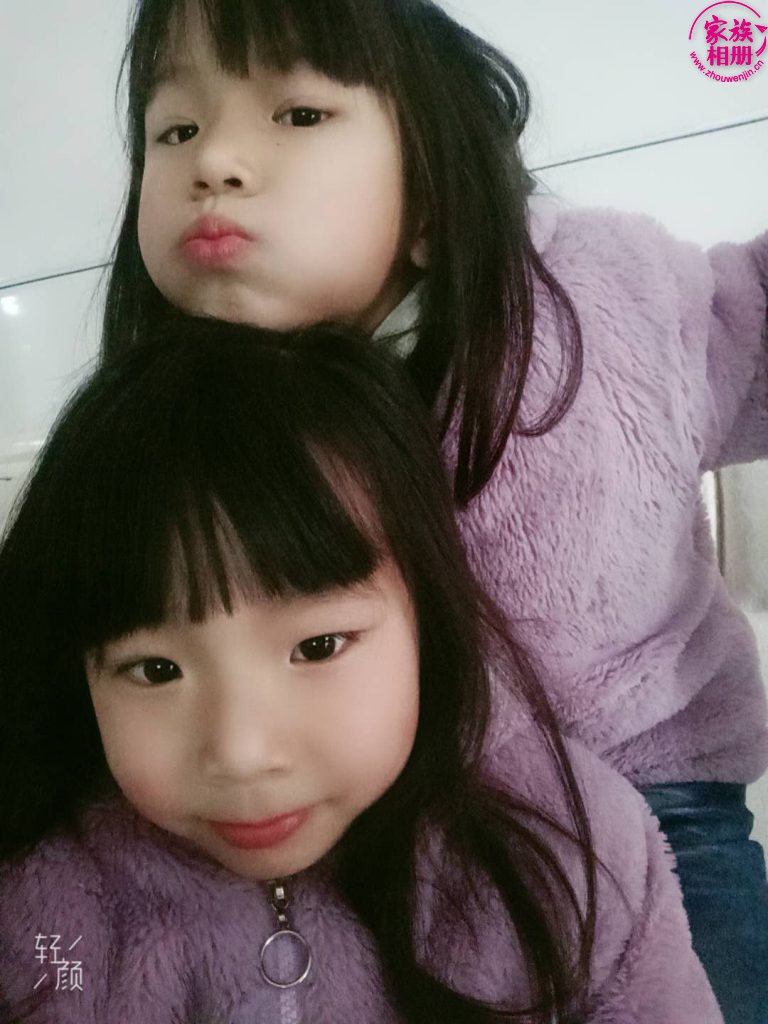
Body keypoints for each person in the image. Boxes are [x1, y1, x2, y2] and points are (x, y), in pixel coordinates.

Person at [100, 1, 768, 1019]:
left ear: (431, 198)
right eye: (175, 128)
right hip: (372, 839)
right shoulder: (177, 431)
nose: (214, 162)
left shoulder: (605, 299)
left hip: (659, 800)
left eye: (299, 113)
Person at [0, 319, 722, 1023]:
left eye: (317, 647)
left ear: (426, 616)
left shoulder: (570, 853)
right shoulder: (45, 918)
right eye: (156, 669)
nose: (242, 753)